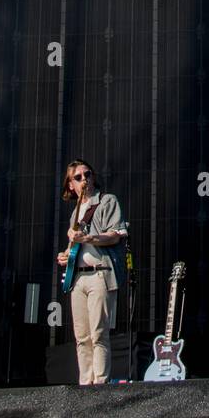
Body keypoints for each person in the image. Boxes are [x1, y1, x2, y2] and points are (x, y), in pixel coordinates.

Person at [56, 160, 128, 385]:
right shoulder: (74, 214)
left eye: (87, 174)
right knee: (82, 337)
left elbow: (115, 235)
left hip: (100, 273)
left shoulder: (107, 201)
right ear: (70, 186)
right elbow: (74, 247)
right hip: (78, 277)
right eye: (77, 177)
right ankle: (85, 383)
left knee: (98, 333)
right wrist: (65, 256)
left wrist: (87, 238)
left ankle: (101, 384)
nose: (84, 179)